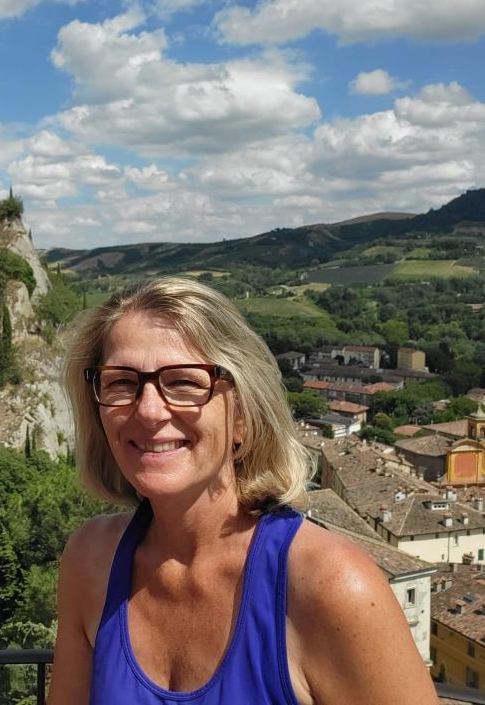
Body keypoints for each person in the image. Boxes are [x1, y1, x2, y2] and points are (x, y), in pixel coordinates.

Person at [48, 277, 437, 705]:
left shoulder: (331, 586)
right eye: (121, 382)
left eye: (184, 382)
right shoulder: (91, 560)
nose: (149, 410)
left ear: (243, 417)